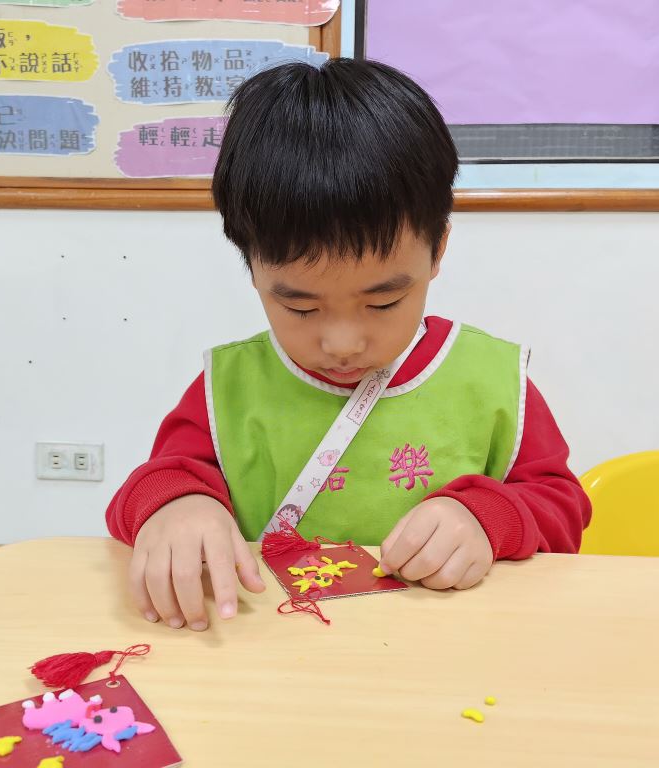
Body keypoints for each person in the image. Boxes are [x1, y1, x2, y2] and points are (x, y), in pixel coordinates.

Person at [106, 58, 591, 631]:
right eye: (301, 307)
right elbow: (155, 481)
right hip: (274, 649)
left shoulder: (491, 378)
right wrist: (178, 506)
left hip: (446, 647)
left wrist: (488, 517)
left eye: (383, 303)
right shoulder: (229, 386)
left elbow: (563, 507)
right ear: (252, 266)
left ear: (438, 250)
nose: (342, 343)